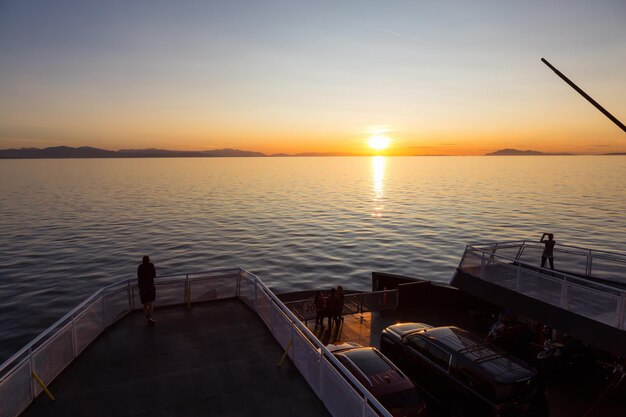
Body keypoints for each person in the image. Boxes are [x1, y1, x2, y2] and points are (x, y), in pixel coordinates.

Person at [137, 255, 157, 323]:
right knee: (150, 303)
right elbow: (154, 275)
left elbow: (138, 276)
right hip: (150, 286)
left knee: (145, 304)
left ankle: (147, 317)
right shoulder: (151, 265)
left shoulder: (140, 267)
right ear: (149, 260)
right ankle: (150, 317)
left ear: (142, 260)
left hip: (142, 287)